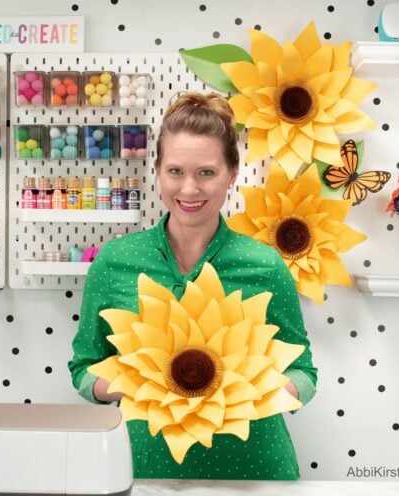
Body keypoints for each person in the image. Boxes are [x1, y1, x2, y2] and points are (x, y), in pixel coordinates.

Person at [68, 91, 317, 480]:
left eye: (206, 172)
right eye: (175, 172)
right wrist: (142, 388)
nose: (189, 189)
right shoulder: (114, 261)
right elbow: (84, 368)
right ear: (157, 170)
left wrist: (250, 398)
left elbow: (303, 371)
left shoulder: (265, 265)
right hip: (143, 471)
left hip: (254, 474)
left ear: (231, 174)